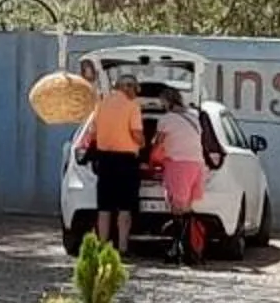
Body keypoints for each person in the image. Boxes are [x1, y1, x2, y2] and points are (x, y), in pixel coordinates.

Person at [75, 64, 147, 255]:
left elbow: (93, 133)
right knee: (125, 207)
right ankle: (122, 247)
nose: (135, 91)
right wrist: (143, 143)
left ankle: (103, 244)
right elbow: (137, 134)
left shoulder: (101, 104)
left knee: (104, 207)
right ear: (126, 88)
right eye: (133, 87)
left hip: (104, 161)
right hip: (126, 162)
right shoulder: (133, 107)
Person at [151, 95, 209, 257]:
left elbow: (159, 143)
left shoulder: (166, 119)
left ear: (167, 102)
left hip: (178, 164)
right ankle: (190, 247)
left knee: (177, 208)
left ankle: (177, 247)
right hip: (197, 164)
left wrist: (150, 160)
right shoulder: (194, 116)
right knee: (188, 207)